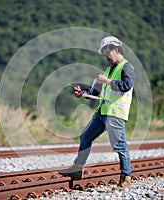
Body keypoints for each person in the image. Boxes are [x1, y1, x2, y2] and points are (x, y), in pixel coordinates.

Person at [58, 36, 136, 188]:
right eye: (104, 54)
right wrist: (84, 93)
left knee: (120, 146)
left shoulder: (127, 67)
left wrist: (107, 81)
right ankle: (77, 169)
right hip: (103, 111)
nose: (106, 57)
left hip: (115, 113)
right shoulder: (109, 69)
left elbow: (127, 85)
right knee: (85, 137)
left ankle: (126, 178)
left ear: (117, 49)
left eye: (108, 53)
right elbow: (98, 91)